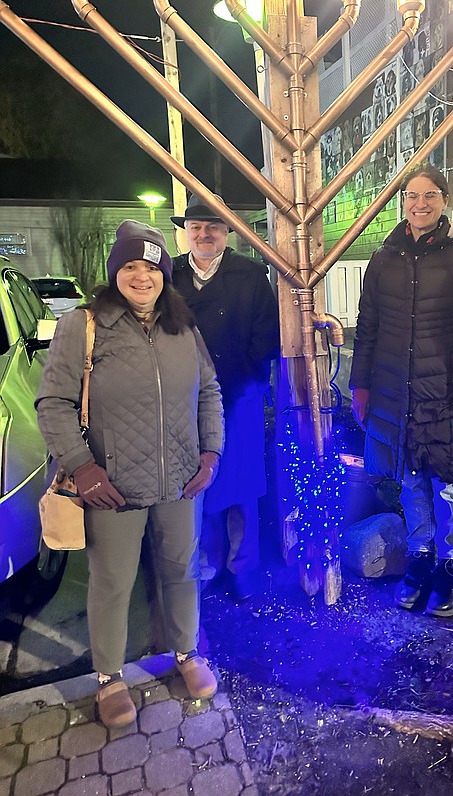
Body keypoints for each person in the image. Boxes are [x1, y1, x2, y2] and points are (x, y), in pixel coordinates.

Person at [36, 221, 224, 728]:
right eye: (130, 266)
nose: (142, 277)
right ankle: (109, 677)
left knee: (182, 572)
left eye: (152, 267)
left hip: (182, 482)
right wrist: (84, 467)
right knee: (113, 581)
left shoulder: (182, 326)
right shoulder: (84, 326)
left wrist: (211, 454)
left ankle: (185, 654)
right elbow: (53, 403)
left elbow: (209, 391)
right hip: (112, 487)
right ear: (115, 271)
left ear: (165, 272)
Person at [349, 164, 453, 617]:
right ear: (403, 203)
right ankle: (420, 557)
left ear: (445, 201)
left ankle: (450, 566)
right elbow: (367, 325)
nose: (420, 203)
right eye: (412, 195)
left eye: (430, 195)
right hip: (394, 388)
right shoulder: (383, 259)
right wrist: (360, 384)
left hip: (444, 390)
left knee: (445, 479)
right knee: (409, 477)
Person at [171, 193, 279, 600]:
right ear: (185, 233)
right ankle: (206, 564)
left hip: (239, 395)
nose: (204, 234)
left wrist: (248, 379)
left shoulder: (250, 275)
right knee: (197, 481)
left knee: (243, 482)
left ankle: (243, 565)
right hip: (185, 398)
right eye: (196, 227)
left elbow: (266, 334)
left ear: (227, 232)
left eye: (213, 227)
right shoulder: (171, 276)